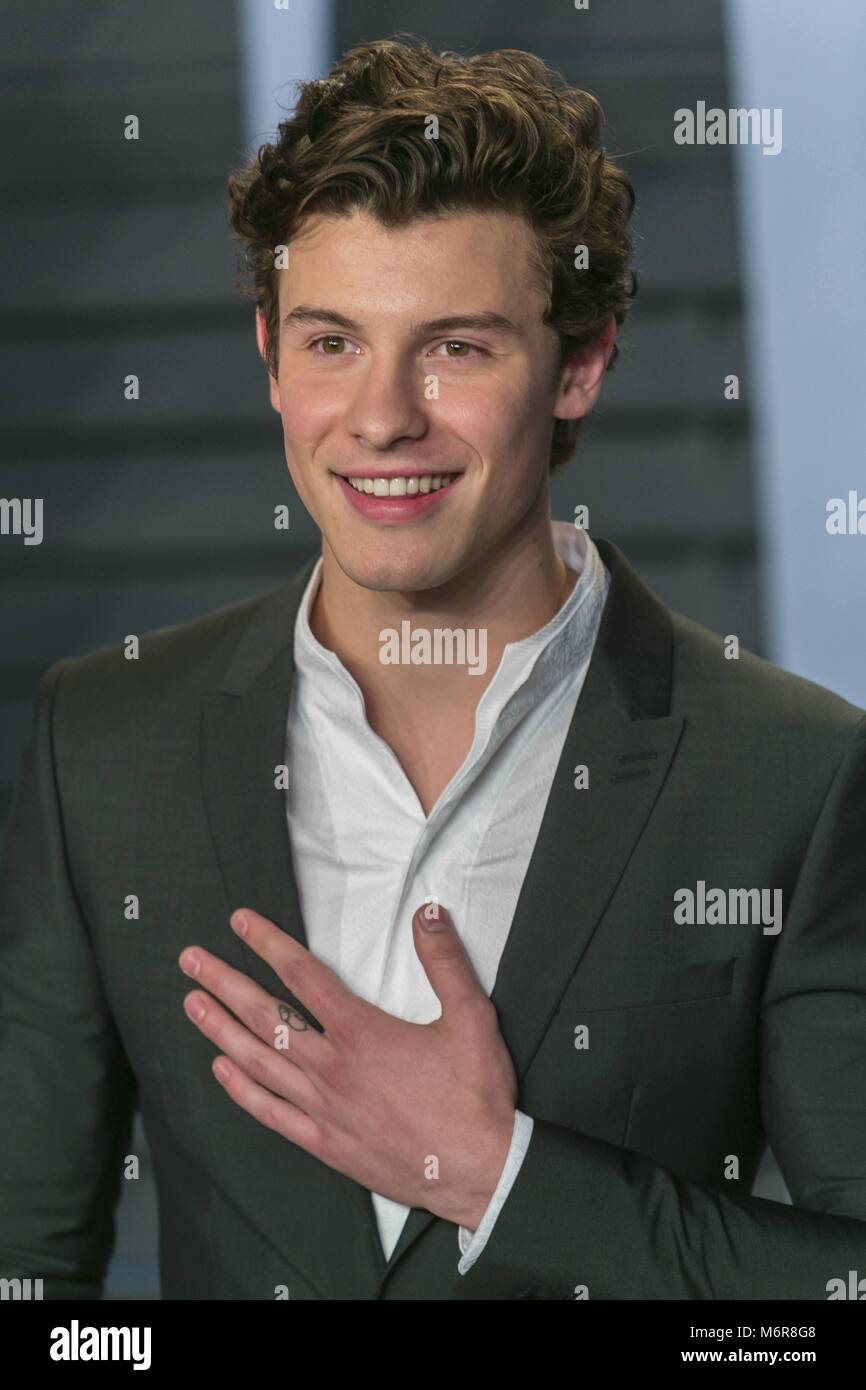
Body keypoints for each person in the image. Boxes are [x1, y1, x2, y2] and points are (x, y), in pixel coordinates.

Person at [1, 35, 864, 1301]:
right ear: (269, 350)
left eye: (456, 347)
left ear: (579, 363)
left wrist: (491, 1173)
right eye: (332, 342)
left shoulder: (794, 772)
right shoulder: (106, 738)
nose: (382, 417)